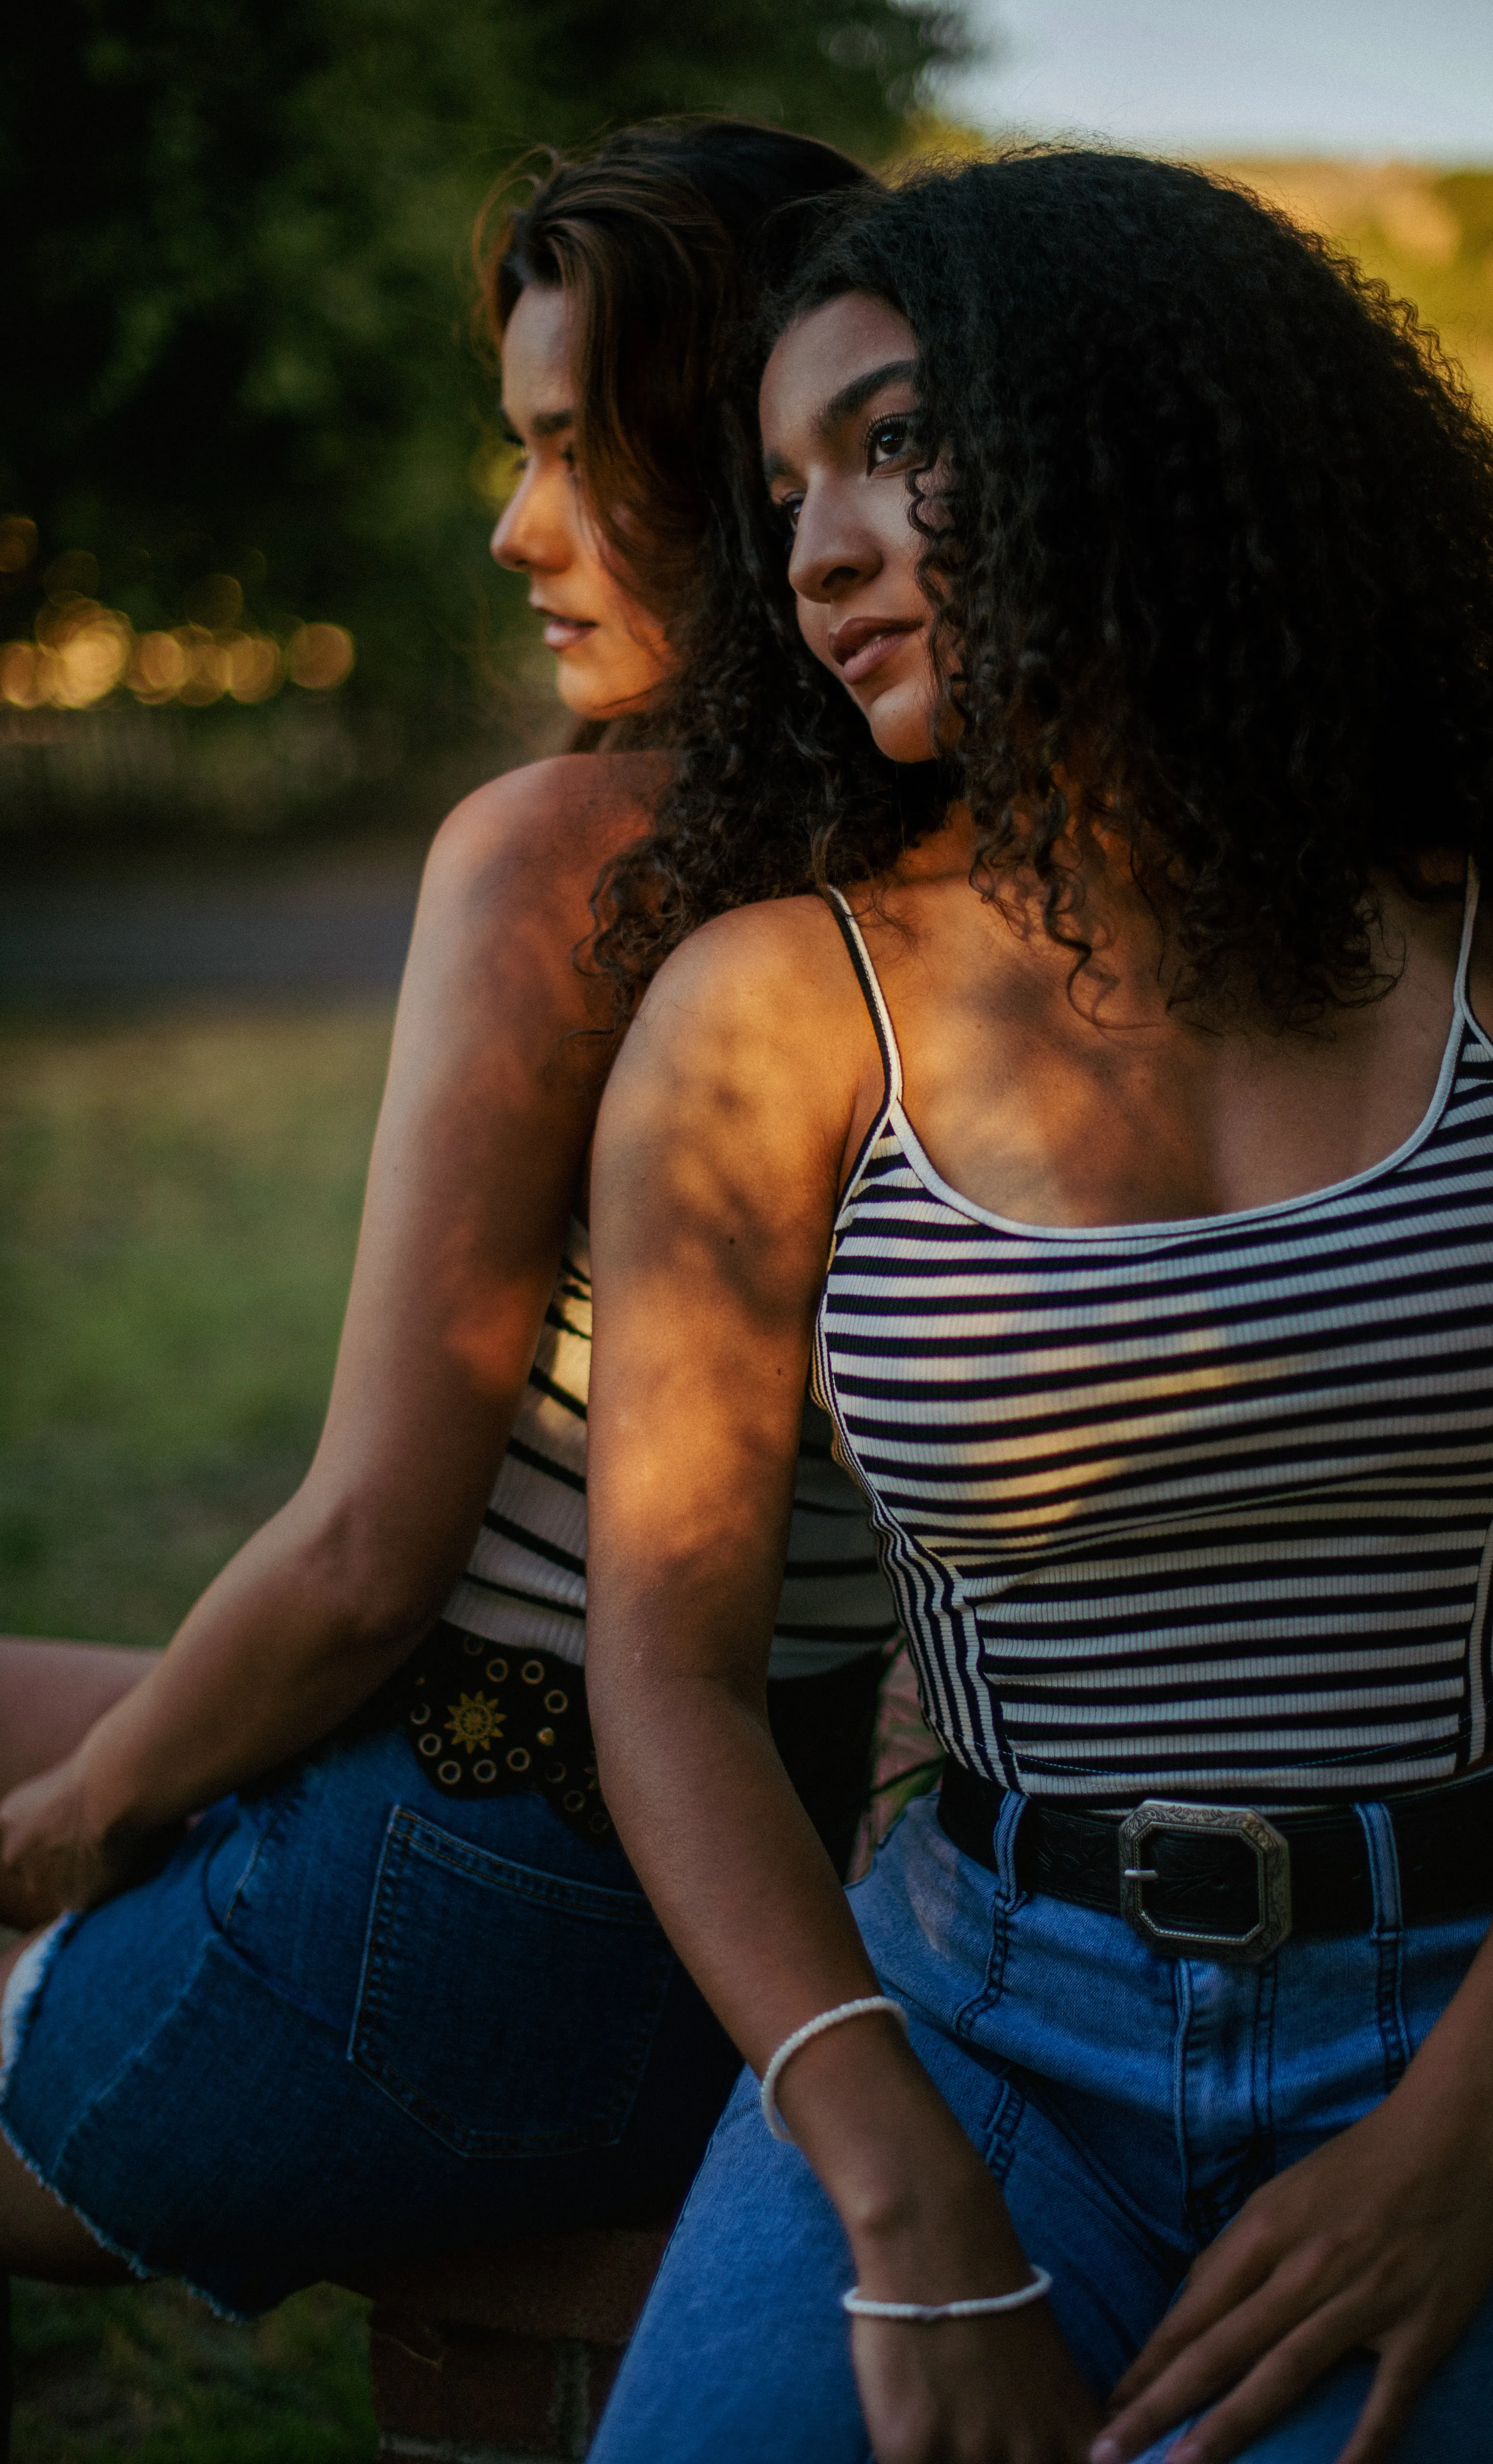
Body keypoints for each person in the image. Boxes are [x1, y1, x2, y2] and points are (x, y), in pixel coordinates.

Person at [576, 151, 1493, 2464]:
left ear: (1157, 436)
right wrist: (899, 2171)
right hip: (973, 2012)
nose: (817, 551)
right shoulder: (780, 1016)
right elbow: (661, 1660)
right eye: (784, 490)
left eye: (897, 441)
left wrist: (1487, 2115)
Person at [0, 119, 899, 2320]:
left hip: (489, 1911)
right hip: (782, 1885)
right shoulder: (986, 837)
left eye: (570, 452)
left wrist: (83, 1833)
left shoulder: (563, 855)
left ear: (731, 457)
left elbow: (363, 1564)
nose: (515, 529)